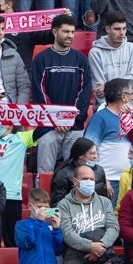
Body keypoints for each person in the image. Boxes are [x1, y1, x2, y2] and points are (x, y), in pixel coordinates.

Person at [31, 13, 93, 173]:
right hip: (49, 127)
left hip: (75, 126)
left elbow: (84, 92)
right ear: (54, 32)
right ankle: (43, 199)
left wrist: (69, 120)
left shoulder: (81, 59)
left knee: (76, 171)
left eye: (72, 32)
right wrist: (55, 119)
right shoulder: (42, 59)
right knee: (45, 171)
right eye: (65, 32)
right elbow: (39, 92)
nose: (70, 36)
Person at [57, 164, 119, 264]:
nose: (90, 182)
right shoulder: (64, 204)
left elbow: (113, 228)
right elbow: (67, 233)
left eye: (92, 179)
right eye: (85, 179)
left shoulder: (104, 202)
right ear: (75, 181)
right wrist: (90, 246)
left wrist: (100, 247)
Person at [89, 11, 133, 107]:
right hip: (105, 108)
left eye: (124, 28)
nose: (122, 33)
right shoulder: (95, 53)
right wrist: (114, 110)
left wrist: (107, 85)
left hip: (131, 106)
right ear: (107, 29)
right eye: (117, 29)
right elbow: (99, 90)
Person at [50, 138, 111, 207]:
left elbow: (105, 202)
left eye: (95, 153)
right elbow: (57, 204)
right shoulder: (63, 175)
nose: (95, 157)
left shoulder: (99, 170)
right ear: (81, 156)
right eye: (91, 154)